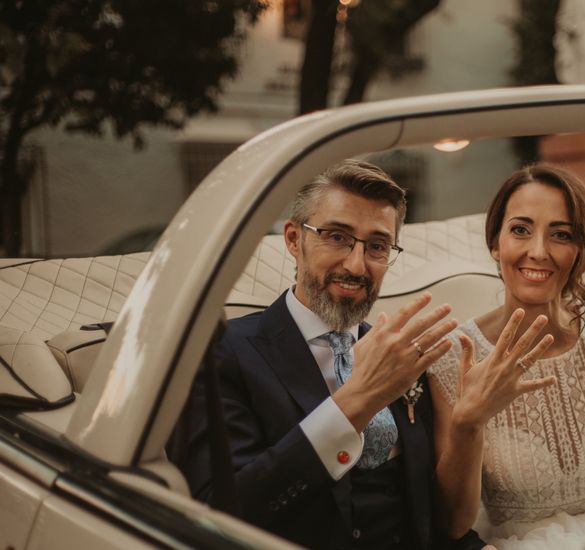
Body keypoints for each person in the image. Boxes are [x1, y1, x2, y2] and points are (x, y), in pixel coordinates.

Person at [183, 160, 488, 550]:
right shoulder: (222, 353)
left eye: (377, 246)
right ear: (294, 239)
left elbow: (422, 506)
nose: (356, 265)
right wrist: (357, 400)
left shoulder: (398, 351)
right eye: (337, 237)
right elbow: (222, 514)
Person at [429, 164, 585, 550]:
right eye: (520, 230)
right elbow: (452, 524)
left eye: (561, 234)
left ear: (580, 252)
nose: (538, 252)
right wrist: (468, 422)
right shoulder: (455, 356)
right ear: (496, 243)